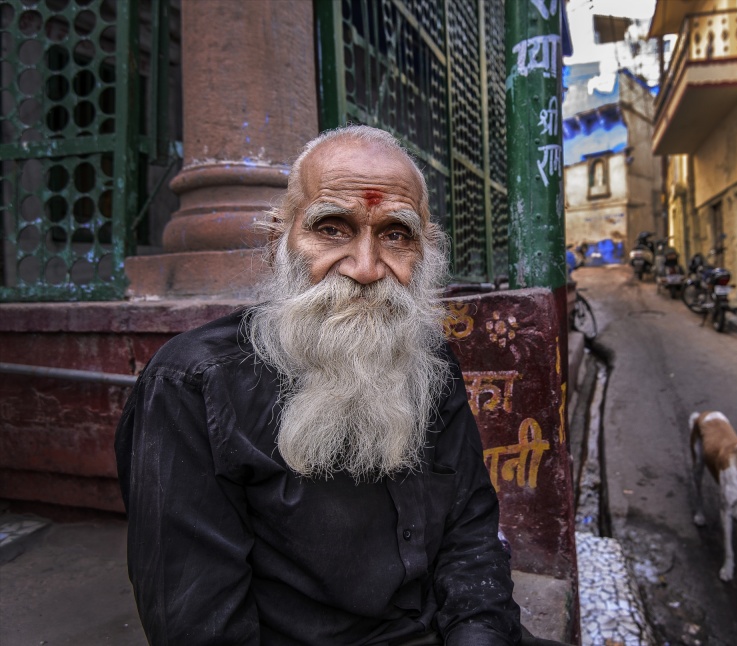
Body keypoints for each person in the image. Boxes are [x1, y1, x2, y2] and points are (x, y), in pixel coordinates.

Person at [115, 125, 555, 644]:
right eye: (331, 229)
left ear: (424, 251)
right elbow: (199, 625)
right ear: (279, 240)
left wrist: (478, 635)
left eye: (395, 234)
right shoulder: (190, 387)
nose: (366, 268)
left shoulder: (429, 358)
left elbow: (471, 528)